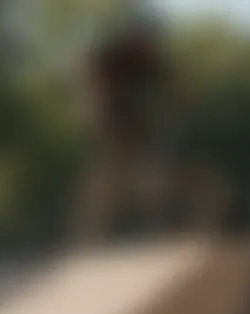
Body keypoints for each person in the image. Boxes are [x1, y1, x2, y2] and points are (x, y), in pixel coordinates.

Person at [72, 15, 177, 244]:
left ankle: (158, 223)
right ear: (134, 37)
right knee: (114, 174)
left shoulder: (148, 59)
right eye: (145, 41)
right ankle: (90, 231)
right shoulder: (113, 53)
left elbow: (172, 81)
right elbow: (85, 66)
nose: (148, 46)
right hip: (111, 119)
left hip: (133, 123)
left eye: (151, 42)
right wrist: (93, 104)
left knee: (144, 173)